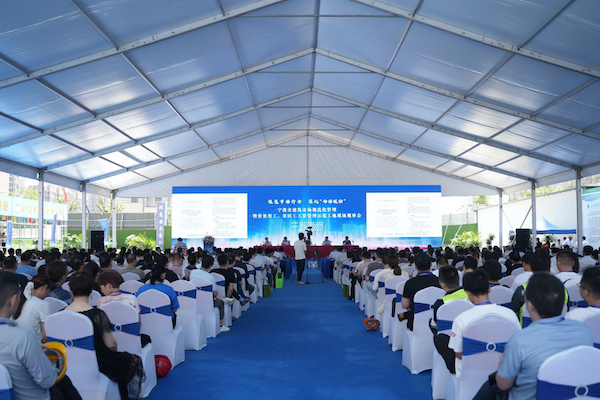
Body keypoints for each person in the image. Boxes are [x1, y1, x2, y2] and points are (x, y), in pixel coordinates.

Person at [473, 273, 593, 400]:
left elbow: (503, 385)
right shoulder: (584, 330)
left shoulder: (520, 340)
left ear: (529, 305)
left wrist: (502, 364)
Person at [0, 271, 82, 400]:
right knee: (64, 384)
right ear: (13, 300)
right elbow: (48, 380)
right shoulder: (23, 338)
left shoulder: (22, 338)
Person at [66, 272, 144, 400]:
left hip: (68, 361)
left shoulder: (59, 315)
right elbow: (111, 344)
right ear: (91, 291)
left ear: (71, 291)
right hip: (97, 360)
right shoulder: (97, 314)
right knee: (131, 360)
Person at [448, 269, 520, 379]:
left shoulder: (461, 319)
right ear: (489, 289)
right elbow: (518, 345)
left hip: (471, 374)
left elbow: (458, 353)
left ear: (468, 292)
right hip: (505, 372)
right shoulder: (510, 315)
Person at [432, 266, 469, 374]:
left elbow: (436, 325)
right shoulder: (471, 296)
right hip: (470, 337)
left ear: (442, 284)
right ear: (459, 278)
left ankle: (454, 365)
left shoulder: (440, 303)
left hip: (451, 341)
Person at [399, 253, 441, 331]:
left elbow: (405, 305)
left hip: (415, 323)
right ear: (431, 264)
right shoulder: (440, 281)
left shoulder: (410, 283)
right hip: (437, 322)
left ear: (415, 266)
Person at [189, 255, 230, 332]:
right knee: (220, 303)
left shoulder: (193, 272)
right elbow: (214, 293)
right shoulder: (210, 277)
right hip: (207, 302)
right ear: (211, 266)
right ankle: (221, 325)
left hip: (194, 300)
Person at [14, 275, 53, 342]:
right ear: (44, 288)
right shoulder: (42, 304)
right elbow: (46, 334)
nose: (48, 294)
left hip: (15, 341)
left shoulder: (18, 300)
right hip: (34, 343)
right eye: (48, 291)